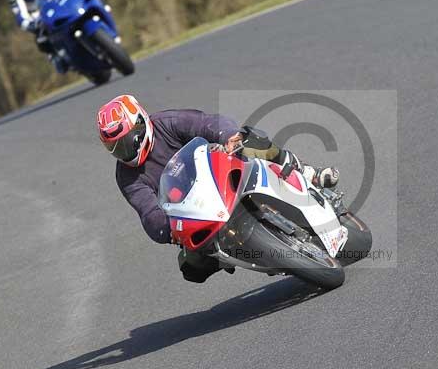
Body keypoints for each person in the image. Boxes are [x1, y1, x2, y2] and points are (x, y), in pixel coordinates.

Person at [96, 94, 339, 283]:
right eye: (114, 147)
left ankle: (307, 172)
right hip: (194, 212)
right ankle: (258, 255)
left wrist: (229, 136)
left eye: (125, 141)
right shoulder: (127, 177)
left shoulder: (167, 123)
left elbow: (208, 123)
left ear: (141, 124)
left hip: (219, 172)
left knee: (253, 141)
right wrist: (166, 230)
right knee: (191, 269)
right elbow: (147, 210)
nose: (123, 151)